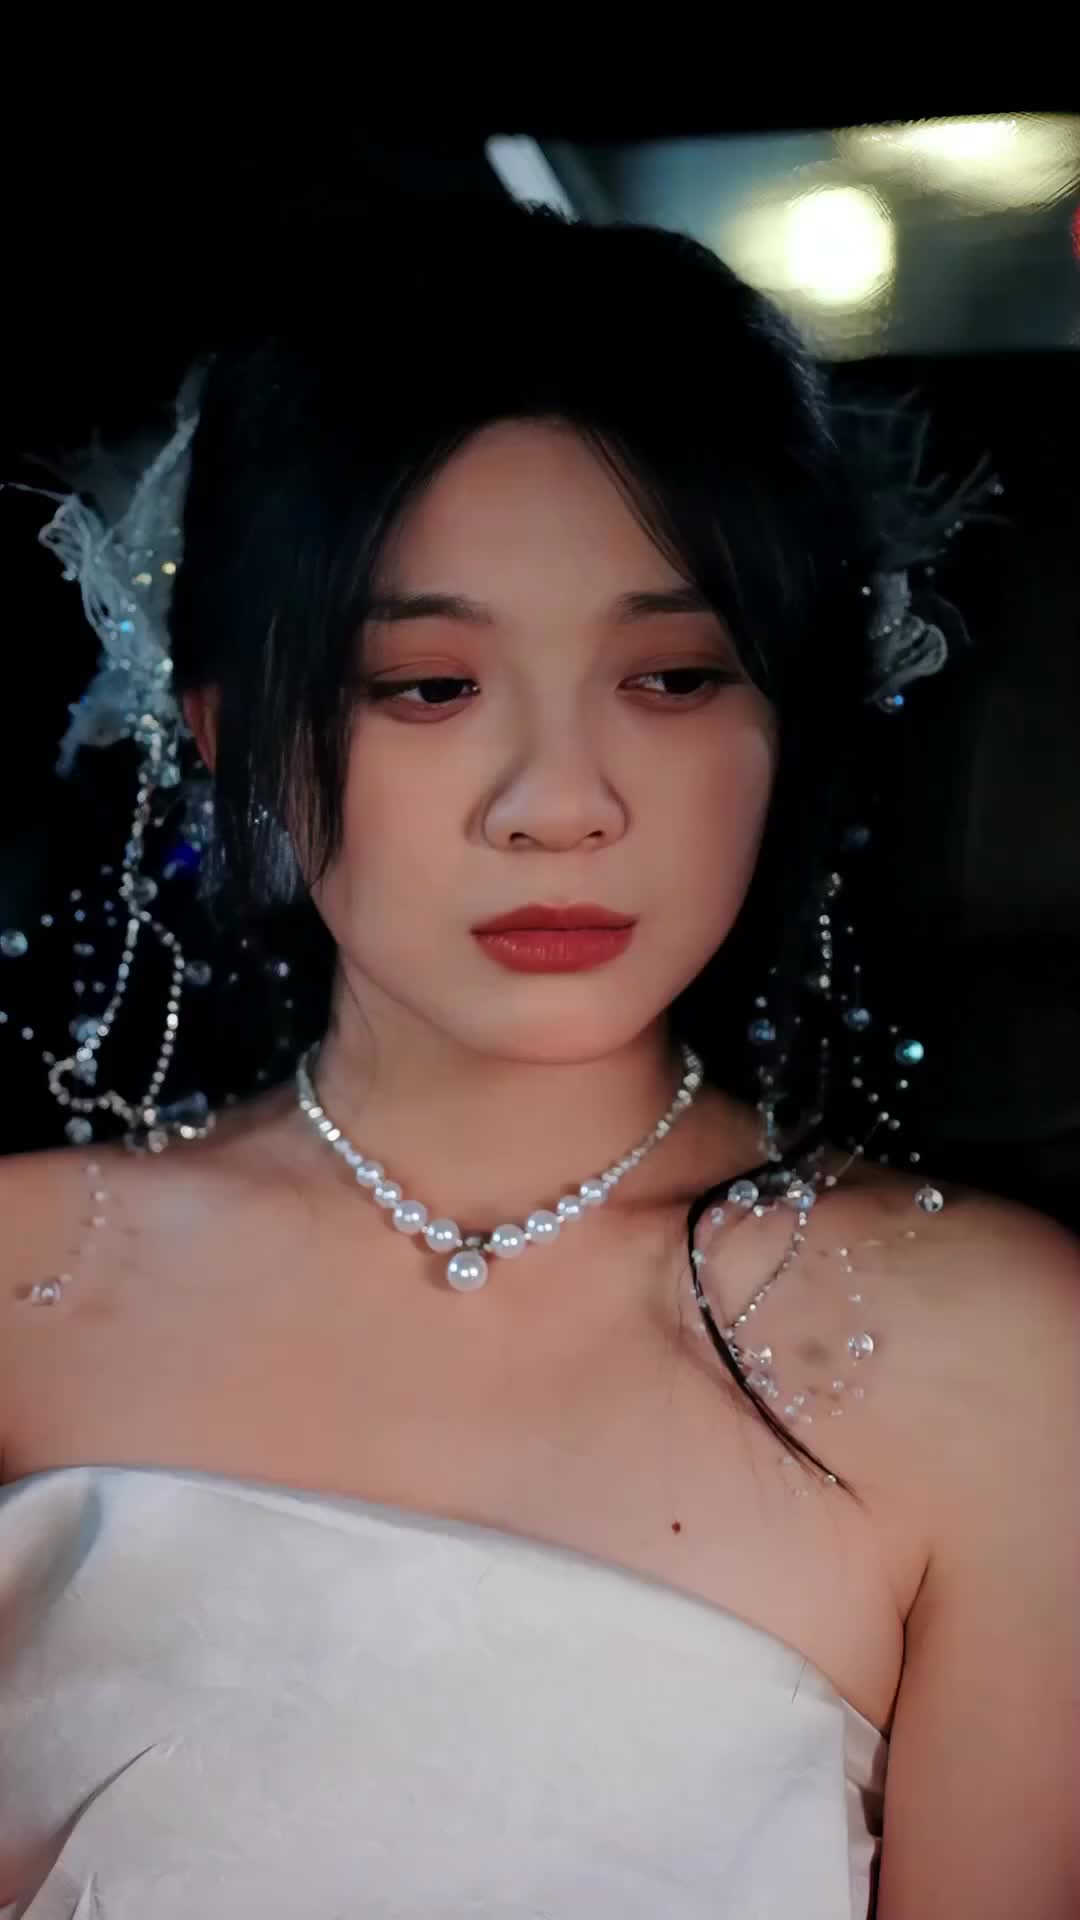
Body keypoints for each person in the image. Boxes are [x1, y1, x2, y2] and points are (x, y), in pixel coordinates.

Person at [0, 194, 1075, 1920]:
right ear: (230, 734)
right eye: (429, 687)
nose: (561, 805)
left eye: (675, 678)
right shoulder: (24, 1280)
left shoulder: (1002, 1356)